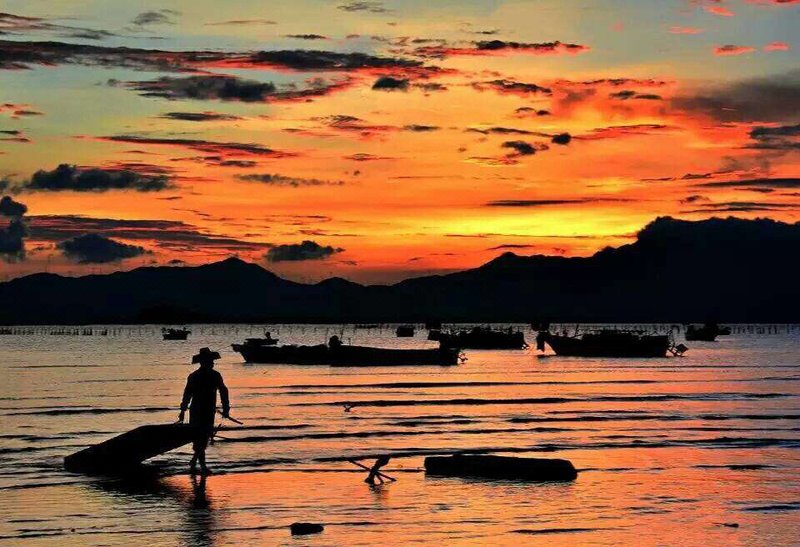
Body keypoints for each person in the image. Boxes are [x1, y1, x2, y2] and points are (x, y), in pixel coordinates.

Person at [178, 347, 230, 475]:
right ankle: (201, 465)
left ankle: (195, 462)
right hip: (203, 411)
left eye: (212, 361)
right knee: (202, 437)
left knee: (201, 437)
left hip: (199, 410)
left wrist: (183, 410)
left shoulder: (196, 376)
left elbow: (187, 395)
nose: (213, 363)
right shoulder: (213, 375)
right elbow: (223, 391)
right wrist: (226, 408)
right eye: (211, 361)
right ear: (205, 362)